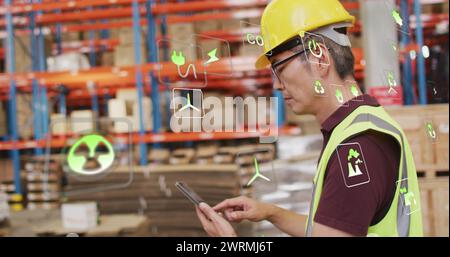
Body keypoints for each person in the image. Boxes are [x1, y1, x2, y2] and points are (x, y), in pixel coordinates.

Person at [195, 0, 423, 237]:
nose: (276, 84)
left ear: (320, 58)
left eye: (279, 68)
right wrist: (272, 213)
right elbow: (332, 228)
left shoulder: (356, 147)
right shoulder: (364, 124)